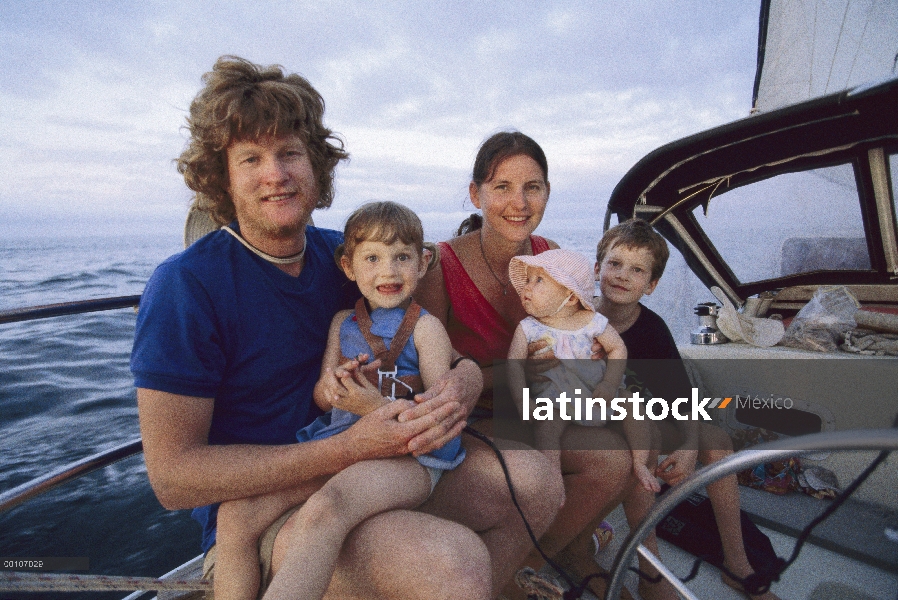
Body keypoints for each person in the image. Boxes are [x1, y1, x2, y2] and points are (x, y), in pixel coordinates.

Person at [131, 56, 561, 600]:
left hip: (375, 457)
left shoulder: (353, 258)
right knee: (453, 564)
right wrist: (346, 449)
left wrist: (465, 382)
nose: (275, 174)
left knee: (537, 485)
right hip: (264, 510)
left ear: (317, 164)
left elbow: (433, 346)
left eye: (290, 153)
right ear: (221, 176)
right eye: (250, 158)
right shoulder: (185, 286)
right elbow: (173, 479)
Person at [416, 131, 670, 600]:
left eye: (533, 187)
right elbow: (432, 377)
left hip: (540, 411)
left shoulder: (552, 253)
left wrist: (591, 354)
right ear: (476, 194)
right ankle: (530, 566)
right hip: (475, 420)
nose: (519, 202)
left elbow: (582, 327)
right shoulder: (439, 265)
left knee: (617, 457)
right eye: (502, 186)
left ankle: (539, 559)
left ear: (548, 194)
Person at [212, 201, 466, 600]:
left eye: (402, 257)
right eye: (372, 258)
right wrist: (333, 388)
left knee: (327, 509)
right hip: (342, 447)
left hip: (407, 458)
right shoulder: (342, 323)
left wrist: (371, 406)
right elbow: (322, 398)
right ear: (348, 266)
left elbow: (441, 428)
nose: (388, 270)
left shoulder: (427, 330)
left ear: (423, 262)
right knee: (234, 515)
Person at [594, 218, 781, 600]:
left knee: (714, 437)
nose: (622, 276)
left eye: (637, 269)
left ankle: (737, 563)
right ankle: (652, 576)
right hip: (597, 428)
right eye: (614, 264)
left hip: (642, 423)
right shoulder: (580, 322)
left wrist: (688, 447)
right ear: (596, 268)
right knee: (641, 439)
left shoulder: (654, 330)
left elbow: (683, 401)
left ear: (651, 285)